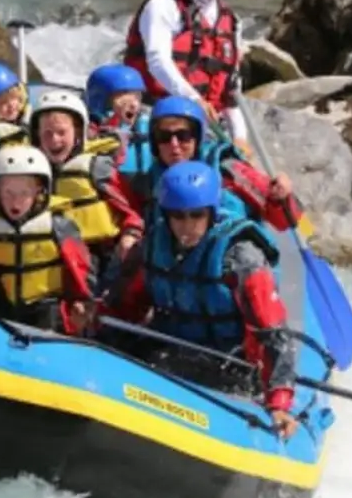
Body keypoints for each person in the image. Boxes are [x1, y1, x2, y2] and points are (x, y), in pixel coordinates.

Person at [104, 161, 300, 437]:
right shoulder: (152, 247)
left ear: (211, 213)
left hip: (230, 367)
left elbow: (273, 334)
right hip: (169, 354)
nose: (187, 226)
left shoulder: (240, 258)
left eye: (196, 215)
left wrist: (278, 404)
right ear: (166, 215)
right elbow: (125, 307)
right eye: (178, 216)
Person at [121, 0, 248, 142]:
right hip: (155, 116)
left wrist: (240, 138)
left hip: (203, 127)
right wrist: (193, 100)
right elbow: (157, 61)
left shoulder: (232, 21)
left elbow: (231, 90)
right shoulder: (163, 6)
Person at [0, 147, 95, 334]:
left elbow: (80, 269)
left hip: (45, 311)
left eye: (24, 193)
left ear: (39, 191)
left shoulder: (59, 225)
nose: (15, 201)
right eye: (8, 193)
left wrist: (81, 301)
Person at [132, 96, 301, 232]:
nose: (174, 144)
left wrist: (282, 197)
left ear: (197, 138)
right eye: (164, 137)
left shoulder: (228, 169)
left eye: (183, 136)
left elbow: (286, 222)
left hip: (232, 258)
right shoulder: (150, 180)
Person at [29, 90, 144, 281]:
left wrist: (130, 234)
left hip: (97, 258)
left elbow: (130, 210)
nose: (55, 139)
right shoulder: (31, 173)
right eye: (47, 133)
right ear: (36, 135)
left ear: (78, 132)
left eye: (62, 132)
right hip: (51, 261)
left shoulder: (97, 167)